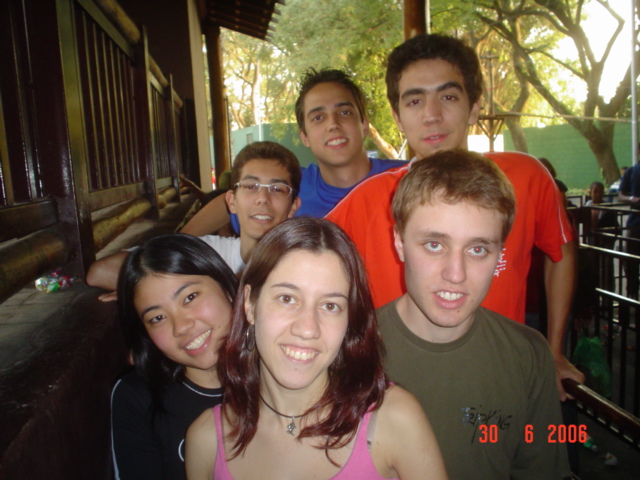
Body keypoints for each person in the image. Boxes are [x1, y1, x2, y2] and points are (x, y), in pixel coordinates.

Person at [326, 33, 583, 399]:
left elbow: (562, 251)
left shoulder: (526, 178)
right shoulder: (368, 199)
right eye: (415, 100)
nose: (432, 115)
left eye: (448, 97)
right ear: (397, 116)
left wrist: (553, 352)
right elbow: (303, 261)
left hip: (499, 380)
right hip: (397, 389)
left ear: (474, 107)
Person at [185, 218, 448, 480]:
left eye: (330, 306)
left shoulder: (395, 419)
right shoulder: (206, 441)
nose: (308, 329)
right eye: (287, 299)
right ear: (250, 305)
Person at [377, 150, 571, 479]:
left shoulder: (528, 354)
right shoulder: (349, 349)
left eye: (478, 249)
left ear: (500, 253)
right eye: (434, 244)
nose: (456, 274)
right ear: (399, 242)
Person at [179, 69, 405, 236]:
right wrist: (172, 245)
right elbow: (227, 203)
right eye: (318, 117)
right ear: (304, 136)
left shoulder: (405, 178)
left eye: (344, 112)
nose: (333, 124)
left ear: (364, 124)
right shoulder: (290, 188)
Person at [86, 141, 301, 297]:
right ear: (231, 201)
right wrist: (144, 288)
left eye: (277, 189)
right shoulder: (210, 253)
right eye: (250, 186)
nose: (263, 198)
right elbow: (100, 272)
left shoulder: (303, 262)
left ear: (293, 206)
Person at [111, 234, 238, 480]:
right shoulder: (137, 397)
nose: (181, 327)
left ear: (227, 288)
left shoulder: (277, 374)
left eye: (190, 297)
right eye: (157, 318)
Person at [618, 160, 640, 299]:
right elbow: (621, 195)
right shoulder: (631, 171)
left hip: (634, 223)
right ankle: (632, 294)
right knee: (631, 262)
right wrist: (633, 199)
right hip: (635, 223)